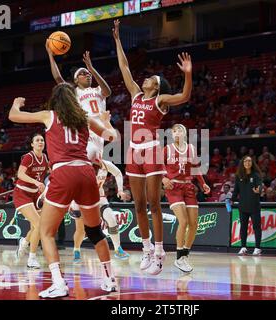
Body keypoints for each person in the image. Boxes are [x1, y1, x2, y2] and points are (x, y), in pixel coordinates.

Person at [8, 83, 118, 298]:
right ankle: (109, 279)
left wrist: (16, 103)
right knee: (95, 231)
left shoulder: (49, 115)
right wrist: (106, 122)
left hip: (64, 173)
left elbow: (14, 116)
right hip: (86, 173)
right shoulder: (85, 118)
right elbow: (111, 137)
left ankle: (59, 283)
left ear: (55, 100)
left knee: (47, 232)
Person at [113, 19, 192, 275]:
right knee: (137, 205)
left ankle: (160, 251)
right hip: (133, 152)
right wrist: (117, 40)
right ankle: (146, 248)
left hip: (152, 149)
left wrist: (188, 74)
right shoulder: (136, 94)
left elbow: (184, 96)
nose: (144, 79)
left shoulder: (161, 100)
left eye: (150, 78)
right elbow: (124, 66)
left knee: (153, 204)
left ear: (156, 85)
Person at [46, 40, 111, 164]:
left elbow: (108, 92)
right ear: (76, 80)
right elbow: (58, 78)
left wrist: (91, 69)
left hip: (100, 132)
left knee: (95, 172)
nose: (88, 75)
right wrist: (50, 55)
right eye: (83, 73)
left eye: (88, 74)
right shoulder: (74, 92)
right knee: (82, 161)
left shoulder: (98, 90)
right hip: (85, 129)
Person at [162, 124, 210, 273]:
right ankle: (178, 257)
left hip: (188, 187)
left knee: (194, 224)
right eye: (174, 131)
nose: (176, 133)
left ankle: (184, 255)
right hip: (173, 188)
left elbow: (196, 169)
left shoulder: (191, 149)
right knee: (183, 221)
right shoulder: (167, 149)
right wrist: (163, 179)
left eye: (179, 130)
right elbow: (157, 166)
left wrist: (203, 184)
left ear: (184, 133)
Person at [71, 160, 130, 262]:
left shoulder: (105, 164)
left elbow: (118, 173)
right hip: (82, 199)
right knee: (81, 230)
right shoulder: (81, 165)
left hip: (99, 198)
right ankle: (76, 250)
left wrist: (120, 190)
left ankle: (117, 249)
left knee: (111, 219)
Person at [14, 133, 48, 269]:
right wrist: (36, 182)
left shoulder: (45, 157)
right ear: (32, 144)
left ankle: (25, 241)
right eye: (37, 140)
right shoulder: (29, 157)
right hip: (22, 193)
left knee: (36, 227)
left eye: (42, 140)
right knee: (39, 224)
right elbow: (20, 174)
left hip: (35, 195)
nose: (40, 142)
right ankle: (32, 259)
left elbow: (52, 173)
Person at [231, 156, 263, 256]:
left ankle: (257, 248)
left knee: (256, 227)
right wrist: (232, 199)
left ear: (252, 163)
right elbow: (236, 190)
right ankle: (243, 247)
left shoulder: (256, 175)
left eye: (249, 161)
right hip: (243, 206)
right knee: (243, 227)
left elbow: (260, 186)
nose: (247, 163)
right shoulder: (239, 176)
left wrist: (259, 190)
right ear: (243, 163)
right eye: (245, 161)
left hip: (254, 206)